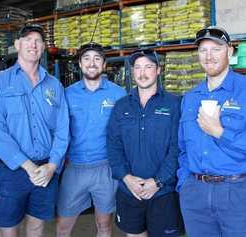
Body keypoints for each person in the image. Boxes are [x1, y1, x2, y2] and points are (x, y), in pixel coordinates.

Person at [0, 24, 69, 237]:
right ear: (17, 45)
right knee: (8, 229)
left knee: (36, 226)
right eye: (27, 39)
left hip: (46, 170)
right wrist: (29, 167)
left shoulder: (54, 86)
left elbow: (63, 129)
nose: (33, 44)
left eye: (38, 40)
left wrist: (52, 165)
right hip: (13, 170)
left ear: (43, 47)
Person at [107, 49, 184, 237]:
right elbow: (113, 145)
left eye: (148, 67)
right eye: (138, 67)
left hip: (164, 193)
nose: (142, 73)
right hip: (129, 191)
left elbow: (178, 148)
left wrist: (157, 182)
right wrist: (126, 178)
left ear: (158, 70)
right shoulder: (121, 106)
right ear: (133, 72)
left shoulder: (174, 104)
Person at [177, 26, 246, 237]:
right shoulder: (190, 97)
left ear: (230, 51)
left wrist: (219, 133)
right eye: (202, 50)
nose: (208, 56)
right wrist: (185, 185)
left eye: (216, 49)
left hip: (236, 193)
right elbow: (182, 148)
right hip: (195, 193)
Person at [56, 42, 126, 237]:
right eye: (86, 58)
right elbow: (59, 131)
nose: (92, 63)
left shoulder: (118, 94)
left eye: (97, 59)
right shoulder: (67, 94)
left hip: (106, 168)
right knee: (62, 227)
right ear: (80, 64)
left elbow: (124, 133)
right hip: (75, 169)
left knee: (104, 226)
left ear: (104, 65)